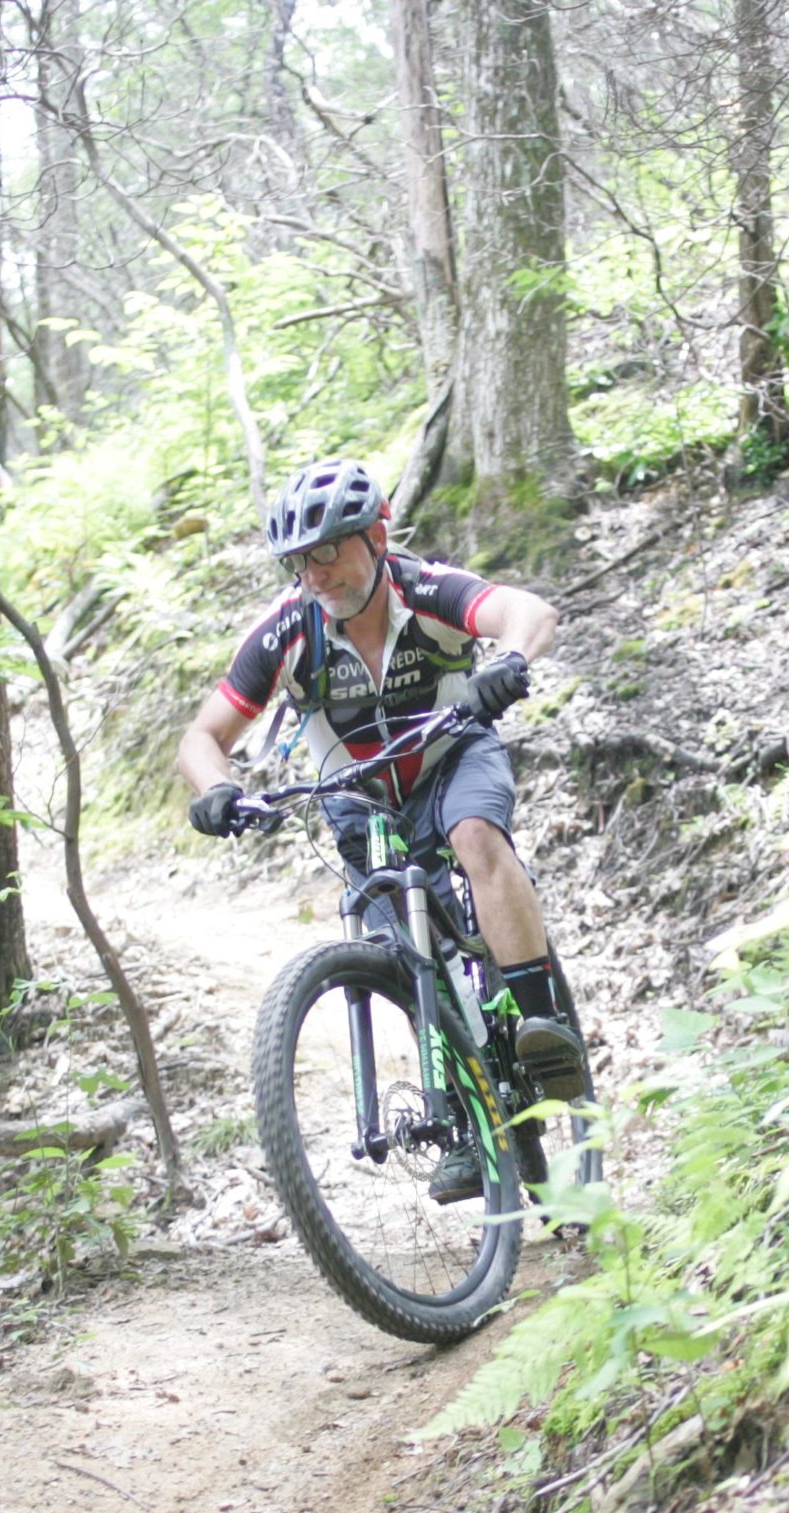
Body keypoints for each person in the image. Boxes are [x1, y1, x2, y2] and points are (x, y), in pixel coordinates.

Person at [176, 457, 587, 1203]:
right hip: (358, 797)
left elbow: (531, 613)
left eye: (329, 549)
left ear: (375, 536)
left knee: (472, 834)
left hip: (451, 759)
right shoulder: (287, 631)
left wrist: (511, 660)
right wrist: (216, 789)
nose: (316, 573)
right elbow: (203, 736)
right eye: (301, 560)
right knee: (398, 947)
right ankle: (467, 1114)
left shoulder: (425, 588)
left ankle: (539, 1022)